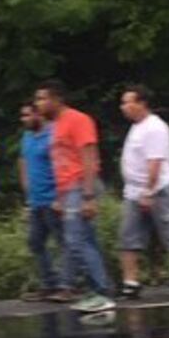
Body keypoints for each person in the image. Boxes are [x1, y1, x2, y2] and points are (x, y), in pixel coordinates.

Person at [34, 80, 115, 314]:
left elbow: (88, 157)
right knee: (85, 240)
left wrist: (88, 196)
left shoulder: (78, 120)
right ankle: (98, 289)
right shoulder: (55, 126)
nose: (38, 104)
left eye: (42, 98)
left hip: (81, 185)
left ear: (56, 99)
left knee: (75, 240)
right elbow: (60, 165)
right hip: (68, 188)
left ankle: (101, 292)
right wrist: (59, 197)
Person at [118, 85, 169, 300]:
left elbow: (155, 162)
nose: (123, 107)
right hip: (134, 191)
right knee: (128, 236)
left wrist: (149, 191)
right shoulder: (137, 126)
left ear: (141, 103)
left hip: (157, 189)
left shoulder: (154, 127)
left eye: (127, 102)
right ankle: (130, 282)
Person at [18, 100, 64, 299]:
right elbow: (24, 163)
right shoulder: (27, 137)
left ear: (39, 115)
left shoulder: (53, 134)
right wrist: (27, 196)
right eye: (23, 116)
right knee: (35, 242)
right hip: (36, 200)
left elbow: (62, 165)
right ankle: (49, 283)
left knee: (64, 242)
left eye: (28, 115)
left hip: (52, 197)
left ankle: (69, 283)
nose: (25, 120)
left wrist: (61, 195)